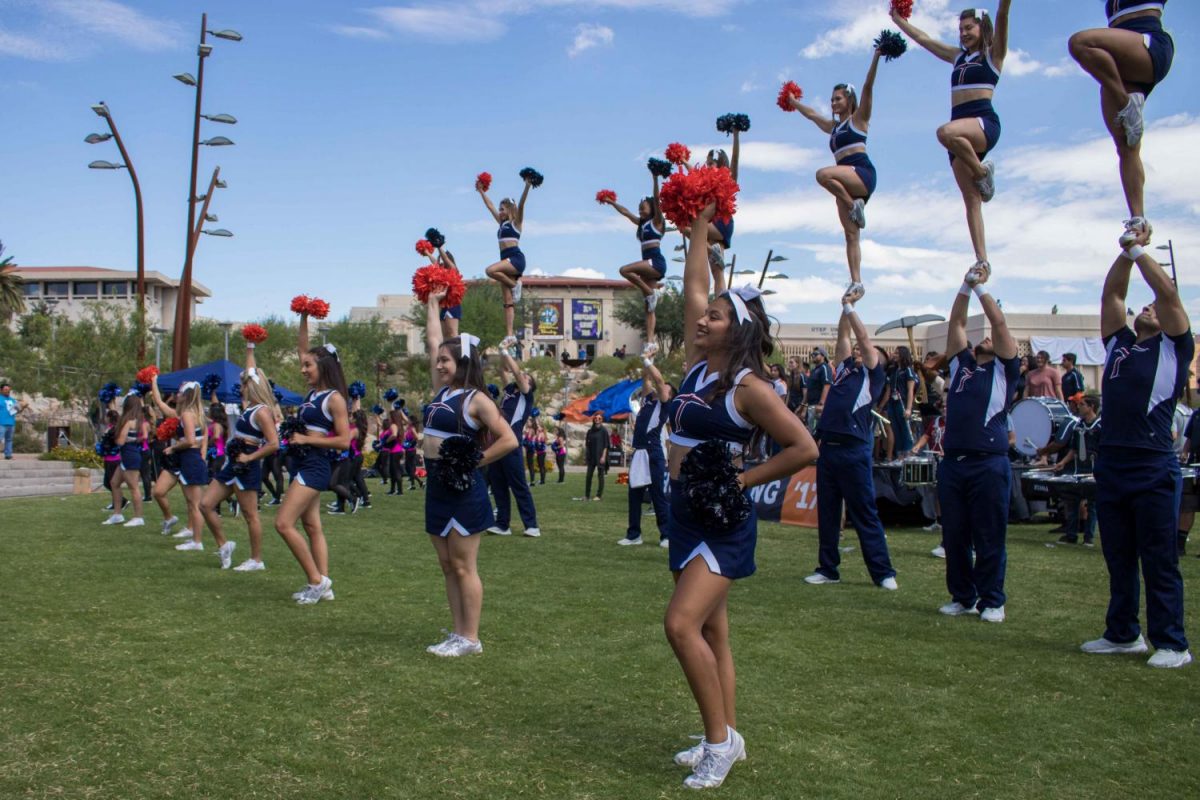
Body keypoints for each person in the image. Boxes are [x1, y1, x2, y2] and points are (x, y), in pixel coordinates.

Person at [664, 203, 817, 790]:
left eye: (719, 316)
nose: (705, 318)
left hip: (720, 518)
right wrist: (699, 217)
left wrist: (742, 480)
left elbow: (804, 448)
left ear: (742, 329)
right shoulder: (698, 365)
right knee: (711, 632)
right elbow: (695, 281)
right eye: (707, 314)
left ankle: (718, 744)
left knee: (680, 626)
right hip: (684, 508)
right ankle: (729, 733)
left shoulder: (749, 388)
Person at [1082, 224, 1192, 668]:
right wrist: (1124, 255)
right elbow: (1111, 298)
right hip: (1113, 465)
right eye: (1141, 306)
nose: (1145, 308)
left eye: (1152, 307)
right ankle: (1124, 634)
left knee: (1159, 558)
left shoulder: (1175, 347)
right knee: (1119, 556)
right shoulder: (1121, 344)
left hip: (1152, 467)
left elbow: (1168, 295)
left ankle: (1173, 644)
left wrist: (1141, 251)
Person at [421, 288, 519, 657]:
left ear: (463, 362)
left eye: (446, 360)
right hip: (436, 484)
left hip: (463, 487)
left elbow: (508, 439)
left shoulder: (476, 398)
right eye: (440, 360)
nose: (440, 364)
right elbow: (433, 340)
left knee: (463, 565)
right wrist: (432, 302)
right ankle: (458, 633)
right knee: (447, 565)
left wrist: (473, 461)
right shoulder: (442, 393)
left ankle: (471, 637)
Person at [891, 3, 1012, 274]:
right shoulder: (957, 57)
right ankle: (982, 261)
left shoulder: (993, 56)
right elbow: (924, 40)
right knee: (971, 200)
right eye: (960, 29)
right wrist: (898, 20)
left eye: (969, 27)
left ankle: (982, 172)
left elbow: (1003, 17)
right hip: (960, 137)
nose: (964, 33)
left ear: (983, 28)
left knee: (944, 132)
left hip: (982, 124)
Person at [938, 264, 1020, 624]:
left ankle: (992, 600)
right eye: (980, 337)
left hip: (989, 462)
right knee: (955, 535)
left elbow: (999, 326)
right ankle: (962, 596)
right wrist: (964, 285)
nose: (985, 337)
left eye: (988, 338)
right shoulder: (962, 366)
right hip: (954, 462)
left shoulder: (1004, 369)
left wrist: (983, 290)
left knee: (989, 535)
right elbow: (955, 323)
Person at [806, 293, 896, 589]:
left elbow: (863, 338)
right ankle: (828, 569)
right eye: (855, 351)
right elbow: (845, 335)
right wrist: (844, 306)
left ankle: (883, 573)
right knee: (828, 514)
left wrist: (850, 309)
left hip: (854, 450)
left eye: (866, 352)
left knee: (864, 513)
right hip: (828, 450)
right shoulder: (844, 369)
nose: (858, 351)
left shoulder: (873, 376)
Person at [786, 46, 885, 298]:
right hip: (845, 182)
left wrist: (875, 57)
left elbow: (868, 87)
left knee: (822, 174)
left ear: (849, 99)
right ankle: (857, 282)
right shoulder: (833, 127)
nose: (833, 103)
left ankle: (854, 205)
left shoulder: (859, 118)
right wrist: (792, 101)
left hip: (861, 173)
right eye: (831, 99)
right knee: (851, 235)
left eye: (838, 98)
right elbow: (810, 114)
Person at [1068, 1, 1172, 227]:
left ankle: (1126, 103)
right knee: (1126, 146)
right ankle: (1138, 220)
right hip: (1119, 64)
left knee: (1080, 43)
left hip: (1148, 46)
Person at [274, 310, 352, 605]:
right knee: (312, 526)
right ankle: (325, 585)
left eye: (308, 365)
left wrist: (306, 438)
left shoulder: (334, 398)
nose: (303, 369)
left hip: (316, 464)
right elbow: (302, 349)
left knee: (283, 523)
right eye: (303, 365)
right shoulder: (311, 395)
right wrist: (304, 317)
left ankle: (316, 581)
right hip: (303, 461)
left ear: (323, 366)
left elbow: (345, 440)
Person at [200, 345, 282, 572]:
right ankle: (224, 545)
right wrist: (249, 347)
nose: (241, 385)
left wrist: (250, 458)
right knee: (206, 504)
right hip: (232, 464)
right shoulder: (249, 408)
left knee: (250, 515)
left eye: (245, 383)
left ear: (251, 386)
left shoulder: (262, 412)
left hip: (247, 466)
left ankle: (256, 559)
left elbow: (274, 443)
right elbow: (251, 369)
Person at [600, 172, 667, 354]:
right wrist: (612, 202)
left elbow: (658, 199)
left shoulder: (657, 222)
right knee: (649, 307)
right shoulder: (641, 224)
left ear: (652, 208)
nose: (640, 210)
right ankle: (651, 341)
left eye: (643, 207)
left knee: (624, 270)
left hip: (655, 262)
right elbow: (625, 212)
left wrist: (654, 178)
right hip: (648, 266)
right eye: (639, 208)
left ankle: (649, 291)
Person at [486, 349, 541, 536]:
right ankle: (502, 525)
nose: (523, 376)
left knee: (518, 486)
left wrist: (506, 351)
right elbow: (503, 369)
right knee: (498, 484)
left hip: (511, 444)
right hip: (496, 442)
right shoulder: (510, 390)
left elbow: (516, 373)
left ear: (529, 385)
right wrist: (503, 352)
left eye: (527, 377)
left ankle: (532, 525)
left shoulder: (526, 395)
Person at [619, 358, 673, 548]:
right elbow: (647, 379)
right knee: (634, 495)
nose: (661, 387)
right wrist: (645, 361)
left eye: (666, 388)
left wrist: (648, 361)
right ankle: (634, 534)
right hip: (639, 453)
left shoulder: (664, 404)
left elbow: (658, 380)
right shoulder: (649, 400)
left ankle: (666, 535)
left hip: (653, 453)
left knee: (658, 495)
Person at [479, 173, 534, 339]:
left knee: (489, 270)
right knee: (507, 302)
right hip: (506, 261)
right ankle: (509, 334)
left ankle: (515, 284)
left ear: (510, 209)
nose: (500, 211)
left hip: (515, 259)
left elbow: (522, 204)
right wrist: (481, 192)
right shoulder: (501, 224)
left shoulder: (516, 223)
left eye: (502, 209)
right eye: (500, 209)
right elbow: (489, 206)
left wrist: (527, 186)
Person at [159, 380, 210, 553]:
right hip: (192, 458)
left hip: (190, 458)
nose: (177, 395)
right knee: (192, 502)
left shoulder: (188, 414)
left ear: (186, 395)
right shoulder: (197, 413)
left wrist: (173, 447)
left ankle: (197, 541)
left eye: (180, 392)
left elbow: (189, 440)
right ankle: (195, 537)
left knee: (195, 504)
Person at [1051, 395, 1102, 547]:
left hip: (1094, 471)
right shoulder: (1078, 425)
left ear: (1091, 407)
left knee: (1092, 505)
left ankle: (1089, 538)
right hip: (1078, 470)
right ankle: (1071, 534)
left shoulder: (1100, 427)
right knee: (1072, 502)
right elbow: (1073, 450)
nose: (1078, 407)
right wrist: (1063, 462)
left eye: (1082, 404)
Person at [106, 394, 147, 528]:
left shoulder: (129, 422)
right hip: (130, 454)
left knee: (133, 487)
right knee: (114, 482)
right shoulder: (140, 421)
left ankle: (138, 517)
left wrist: (111, 439)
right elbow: (144, 437)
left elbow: (120, 441)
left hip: (129, 455)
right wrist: (134, 440)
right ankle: (117, 514)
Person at [881, 347, 917, 461]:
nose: (894, 354)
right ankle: (900, 455)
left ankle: (907, 456)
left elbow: (910, 390)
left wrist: (908, 408)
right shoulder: (894, 370)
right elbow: (889, 390)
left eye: (897, 353)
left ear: (903, 355)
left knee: (905, 430)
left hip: (903, 403)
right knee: (896, 429)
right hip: (893, 403)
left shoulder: (908, 370)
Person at [804, 347, 832, 430]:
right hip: (811, 405)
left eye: (816, 354)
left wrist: (821, 403)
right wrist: (803, 405)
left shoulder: (825, 367)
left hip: (818, 405)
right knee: (810, 431)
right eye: (812, 354)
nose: (813, 356)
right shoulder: (814, 370)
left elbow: (827, 384)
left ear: (823, 356)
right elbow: (809, 389)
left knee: (817, 432)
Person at [583, 411, 609, 502]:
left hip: (600, 457)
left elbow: (606, 445)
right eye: (596, 418)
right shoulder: (590, 431)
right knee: (588, 476)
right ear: (593, 419)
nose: (597, 420)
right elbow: (587, 445)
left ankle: (599, 495)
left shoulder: (604, 431)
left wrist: (603, 457)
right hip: (591, 457)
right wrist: (586, 455)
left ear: (602, 420)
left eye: (599, 418)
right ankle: (587, 495)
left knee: (600, 476)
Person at [0, 382, 26, 459]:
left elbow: (17, 411)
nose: (7, 391)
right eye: (5, 389)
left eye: (8, 390)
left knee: (9, 440)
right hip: (1, 423)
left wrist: (23, 407)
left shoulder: (13, 400)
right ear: (1, 390)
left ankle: (8, 455)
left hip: (11, 423)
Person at [403, 414, 424, 491]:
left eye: (409, 420)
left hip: (411, 451)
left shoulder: (412, 428)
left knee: (409, 468)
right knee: (408, 468)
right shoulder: (408, 428)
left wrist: (410, 444)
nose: (407, 421)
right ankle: (413, 485)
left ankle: (419, 482)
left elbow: (416, 437)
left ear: (411, 421)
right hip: (408, 450)